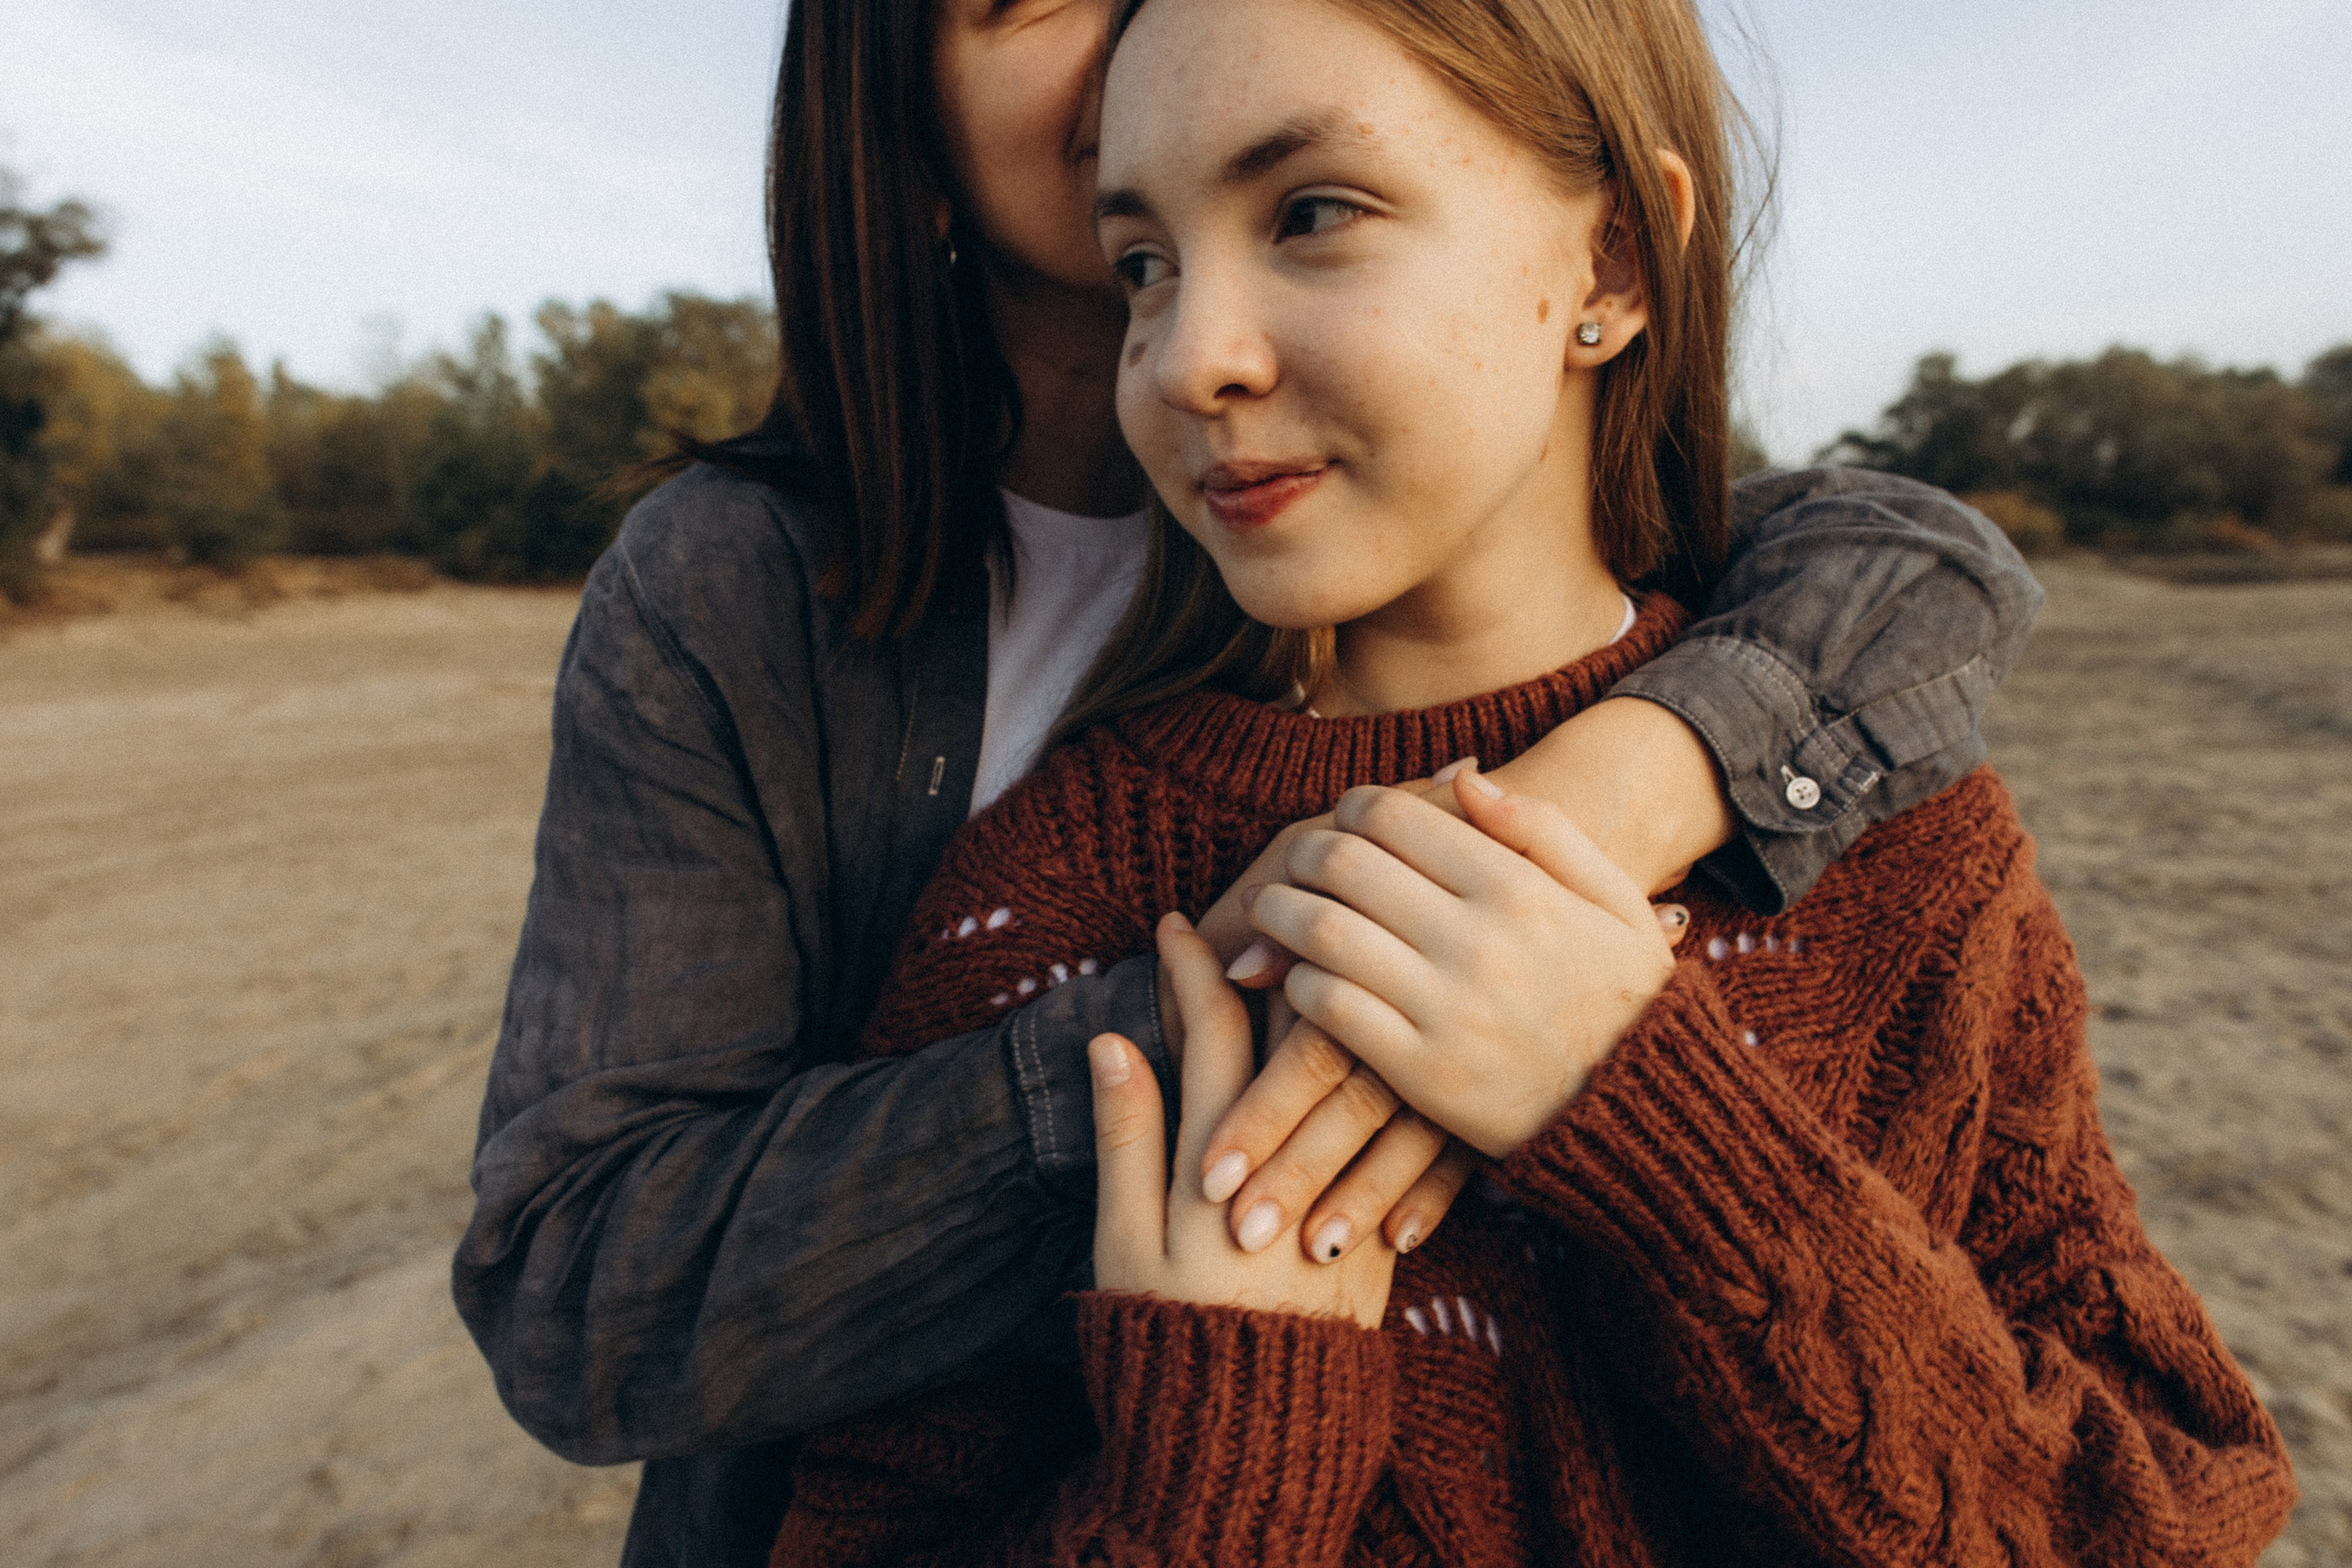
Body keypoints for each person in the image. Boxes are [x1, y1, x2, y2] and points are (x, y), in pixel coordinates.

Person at [453, 1, 2047, 1562]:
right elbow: (587, 1300)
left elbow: (1912, 565)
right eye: (1047, 0)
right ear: (894, 94)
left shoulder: (1438, 491)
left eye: (1310, 213)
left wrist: (1596, 810)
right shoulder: (757, 596)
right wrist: (1252, 1025)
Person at [763, 0, 2294, 1560]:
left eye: (1313, 213)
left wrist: (1664, 1128)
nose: (1186, 360)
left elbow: (2171, 1516)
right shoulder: (1063, 892)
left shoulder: (1904, 851)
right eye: (1144, 263)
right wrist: (1220, 1444)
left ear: (1614, 266)